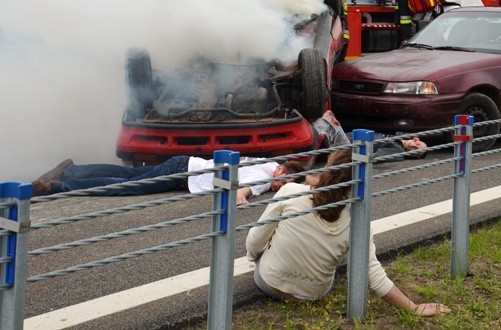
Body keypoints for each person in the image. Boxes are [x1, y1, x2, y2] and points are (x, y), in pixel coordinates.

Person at [245, 148, 450, 316]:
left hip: (269, 282)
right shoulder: (356, 218)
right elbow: (374, 275)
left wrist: (256, 258)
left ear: (326, 169)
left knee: (268, 239)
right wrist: (412, 308)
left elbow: (254, 241)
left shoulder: (289, 192)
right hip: (312, 293)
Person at [31, 156, 306, 204]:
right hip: (183, 173)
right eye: (282, 183)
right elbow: (241, 193)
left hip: (184, 164)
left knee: (129, 174)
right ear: (281, 172)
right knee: (125, 187)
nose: (278, 189)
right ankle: (55, 186)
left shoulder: (269, 162)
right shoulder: (263, 176)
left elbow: (307, 177)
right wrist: (242, 200)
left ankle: (73, 170)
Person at [312, 110, 427, 162]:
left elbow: (372, 157)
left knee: (329, 119)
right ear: (416, 139)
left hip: (348, 149)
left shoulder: (397, 150)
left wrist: (348, 158)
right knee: (326, 123)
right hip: (347, 140)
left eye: (416, 152)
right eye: (418, 145)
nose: (414, 148)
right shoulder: (395, 138)